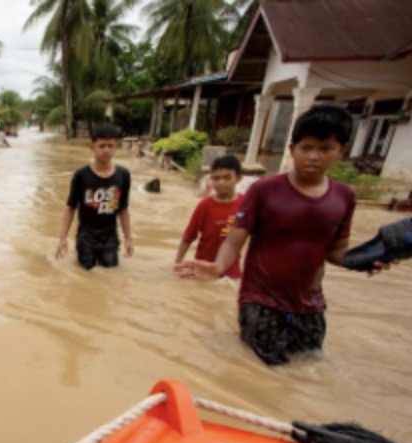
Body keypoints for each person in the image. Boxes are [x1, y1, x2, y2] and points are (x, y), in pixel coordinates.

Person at [175, 105, 393, 366]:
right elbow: (235, 238)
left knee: (308, 367)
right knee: (259, 369)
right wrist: (219, 266)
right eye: (307, 148)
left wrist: (365, 260)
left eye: (325, 149)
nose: (314, 156)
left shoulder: (344, 196)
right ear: (292, 149)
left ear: (342, 151)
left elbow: (336, 251)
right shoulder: (264, 190)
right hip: (261, 300)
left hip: (310, 303)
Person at [55, 125, 133, 269]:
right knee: (86, 274)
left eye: (110, 146)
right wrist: (63, 238)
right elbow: (70, 207)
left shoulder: (123, 175)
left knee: (110, 273)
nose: (106, 150)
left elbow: (123, 209)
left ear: (116, 147)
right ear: (92, 147)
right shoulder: (81, 175)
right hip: (86, 236)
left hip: (110, 236)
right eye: (102, 146)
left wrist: (128, 238)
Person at [174, 155, 244, 279]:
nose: (221, 183)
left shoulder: (246, 204)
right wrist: (177, 264)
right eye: (216, 178)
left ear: (238, 178)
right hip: (202, 268)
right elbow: (188, 236)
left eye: (227, 178)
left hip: (232, 271)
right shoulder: (205, 206)